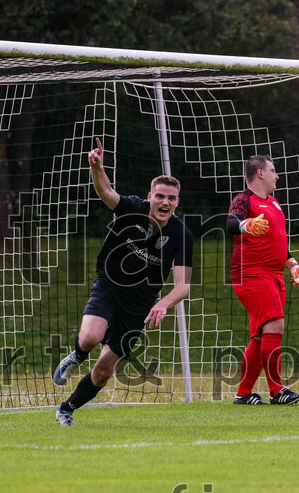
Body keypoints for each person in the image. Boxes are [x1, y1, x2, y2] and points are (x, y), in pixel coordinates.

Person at [51, 137, 193, 426]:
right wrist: (96, 166)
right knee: (90, 338)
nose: (165, 202)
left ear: (177, 202)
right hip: (109, 286)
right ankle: (76, 356)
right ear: (150, 196)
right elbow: (106, 191)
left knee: (104, 371)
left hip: (138, 306)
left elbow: (184, 285)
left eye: (171, 198)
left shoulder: (181, 235)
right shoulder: (131, 208)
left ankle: (66, 409)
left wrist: (163, 304)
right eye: (160, 196)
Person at [226, 155, 299, 406]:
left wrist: (292, 264)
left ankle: (243, 394)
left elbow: (279, 240)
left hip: (273, 274)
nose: (277, 175)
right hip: (250, 272)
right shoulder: (243, 199)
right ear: (260, 173)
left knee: (261, 335)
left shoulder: (274, 203)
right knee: (275, 326)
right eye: (273, 170)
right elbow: (231, 223)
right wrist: (245, 225)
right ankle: (277, 390)